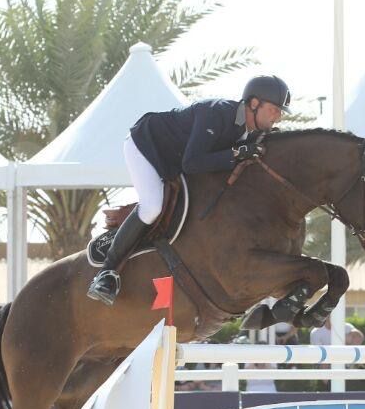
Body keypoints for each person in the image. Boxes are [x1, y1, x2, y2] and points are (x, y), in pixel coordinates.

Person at [87, 74, 291, 304]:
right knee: (152, 207)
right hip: (146, 145)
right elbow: (192, 163)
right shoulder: (217, 113)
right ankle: (106, 273)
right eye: (274, 109)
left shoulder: (250, 132)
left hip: (174, 160)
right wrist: (236, 153)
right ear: (254, 103)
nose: (278, 116)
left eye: (280, 112)